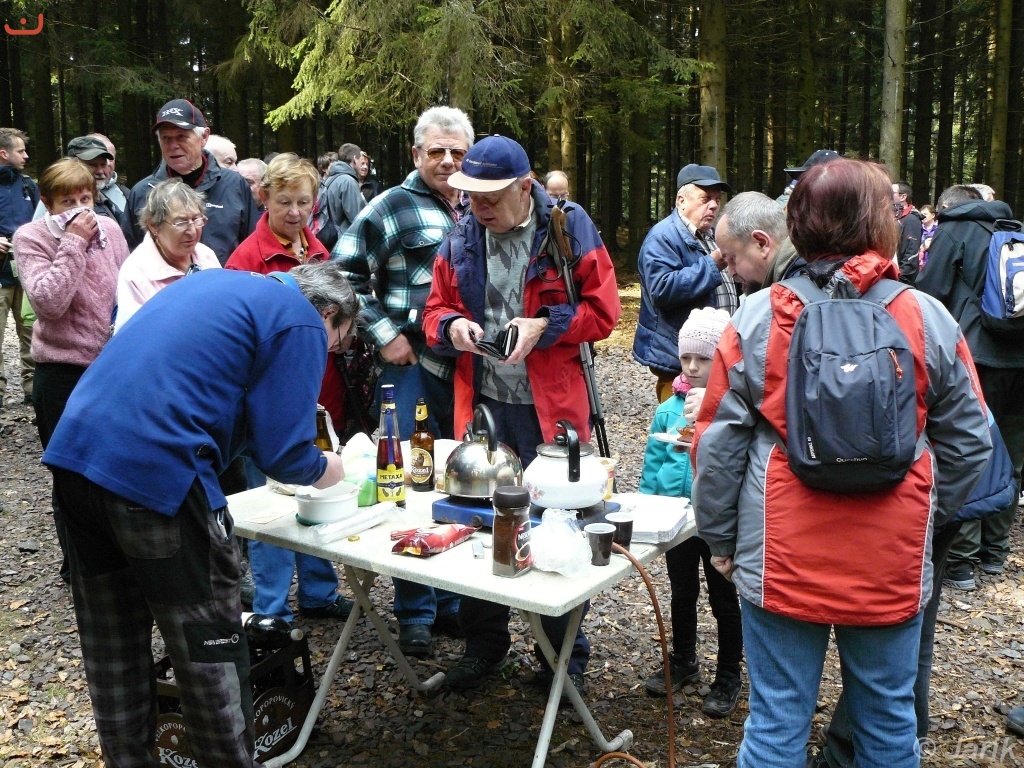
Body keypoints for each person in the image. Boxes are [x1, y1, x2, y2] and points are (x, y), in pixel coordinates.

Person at [691, 158, 991, 768]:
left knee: (775, 724)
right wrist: (927, 516)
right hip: (889, 556)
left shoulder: (757, 318)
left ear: (798, 224)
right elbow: (970, 440)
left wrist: (721, 538)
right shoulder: (926, 317)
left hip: (782, 555)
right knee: (888, 725)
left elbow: (718, 444)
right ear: (881, 222)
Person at [40, 261, 358, 768]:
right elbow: (286, 455)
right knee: (209, 654)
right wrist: (330, 468)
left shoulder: (215, 282)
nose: (329, 352)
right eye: (337, 342)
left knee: (114, 649)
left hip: (75, 460)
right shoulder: (299, 318)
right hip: (158, 474)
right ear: (330, 313)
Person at [423, 135, 621, 694]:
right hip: (483, 407)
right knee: (477, 524)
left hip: (551, 411)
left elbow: (603, 312)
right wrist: (452, 328)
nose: (478, 207)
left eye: (490, 197)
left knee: (558, 525)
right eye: (471, 196)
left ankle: (563, 658)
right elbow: (434, 310)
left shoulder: (567, 227)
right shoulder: (461, 235)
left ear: (525, 186)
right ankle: (484, 645)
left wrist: (543, 325)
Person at [335, 106, 474, 656]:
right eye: (436, 151)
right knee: (411, 483)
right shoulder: (392, 205)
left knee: (460, 478)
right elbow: (341, 274)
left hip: (466, 368)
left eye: (458, 152)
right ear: (417, 154)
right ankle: (415, 611)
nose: (448, 161)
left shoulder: (479, 205)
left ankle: (454, 602)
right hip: (410, 364)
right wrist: (383, 333)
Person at [226, 153, 354, 624]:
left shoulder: (318, 249)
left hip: (320, 395)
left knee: (317, 490)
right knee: (272, 501)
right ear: (264, 199)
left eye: (304, 202)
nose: (295, 212)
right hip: (268, 403)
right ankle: (272, 606)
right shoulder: (248, 257)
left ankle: (319, 592)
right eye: (285, 202)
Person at [12, 158, 130, 583]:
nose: (79, 209)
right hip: (62, 372)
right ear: (47, 203)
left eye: (85, 199)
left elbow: (126, 289)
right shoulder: (30, 237)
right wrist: (74, 241)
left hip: (112, 370)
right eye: (67, 201)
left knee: (117, 466)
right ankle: (81, 567)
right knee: (72, 476)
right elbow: (48, 302)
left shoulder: (111, 229)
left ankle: (121, 558)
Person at [915, 186, 1024, 592]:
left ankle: (960, 560)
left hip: (977, 358)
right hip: (1020, 360)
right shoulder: (1014, 229)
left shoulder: (954, 230)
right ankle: (995, 552)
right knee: (1013, 455)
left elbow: (929, 294)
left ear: (948, 207)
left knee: (969, 448)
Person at [639, 307, 743, 717]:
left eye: (704, 358)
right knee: (682, 593)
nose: (694, 367)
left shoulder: (731, 408)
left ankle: (729, 674)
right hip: (675, 520)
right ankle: (683, 660)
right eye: (686, 358)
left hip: (714, 522)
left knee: (724, 599)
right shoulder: (667, 410)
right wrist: (648, 509)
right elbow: (653, 465)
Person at [632, 163, 737, 402]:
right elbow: (662, 289)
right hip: (680, 360)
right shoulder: (663, 237)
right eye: (705, 199)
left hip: (712, 356)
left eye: (717, 200)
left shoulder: (710, 234)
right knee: (679, 422)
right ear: (681, 201)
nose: (714, 206)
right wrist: (712, 264)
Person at [122, 99, 259, 265]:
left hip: (226, 279)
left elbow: (253, 247)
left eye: (182, 136)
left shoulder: (234, 185)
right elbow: (130, 254)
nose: (173, 145)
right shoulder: (143, 192)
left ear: (204, 137)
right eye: (166, 138)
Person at [113, 179, 221, 332]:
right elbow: (132, 335)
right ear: (154, 225)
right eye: (181, 222)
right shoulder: (135, 273)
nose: (192, 231)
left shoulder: (206, 255)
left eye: (196, 219)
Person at [0, 127, 37, 410]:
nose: (25, 156)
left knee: (31, 332)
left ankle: (33, 389)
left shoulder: (28, 186)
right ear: (4, 154)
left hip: (27, 271)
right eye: (20, 151)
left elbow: (43, 222)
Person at [713, 192, 796, 293]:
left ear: (762, 243)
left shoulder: (794, 295)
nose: (730, 273)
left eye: (732, 258)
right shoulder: (798, 277)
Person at [322, 142, 366, 236]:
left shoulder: (330, 179)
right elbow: (357, 218)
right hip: (344, 239)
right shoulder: (348, 182)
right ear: (355, 159)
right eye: (360, 160)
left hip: (330, 237)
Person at [892, 180, 923, 284]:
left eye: (891, 193)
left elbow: (911, 254)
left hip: (901, 280)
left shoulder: (911, 220)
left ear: (902, 197)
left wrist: (900, 278)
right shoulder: (896, 218)